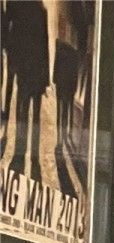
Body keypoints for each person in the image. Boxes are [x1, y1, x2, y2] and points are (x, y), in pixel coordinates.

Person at [6, 0, 51, 183]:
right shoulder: (40, 10)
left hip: (25, 71)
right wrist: (45, 78)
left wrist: (14, 64)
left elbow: (12, 39)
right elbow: (44, 46)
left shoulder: (19, 6)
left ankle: (20, 152)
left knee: (22, 113)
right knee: (34, 115)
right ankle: (33, 155)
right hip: (35, 71)